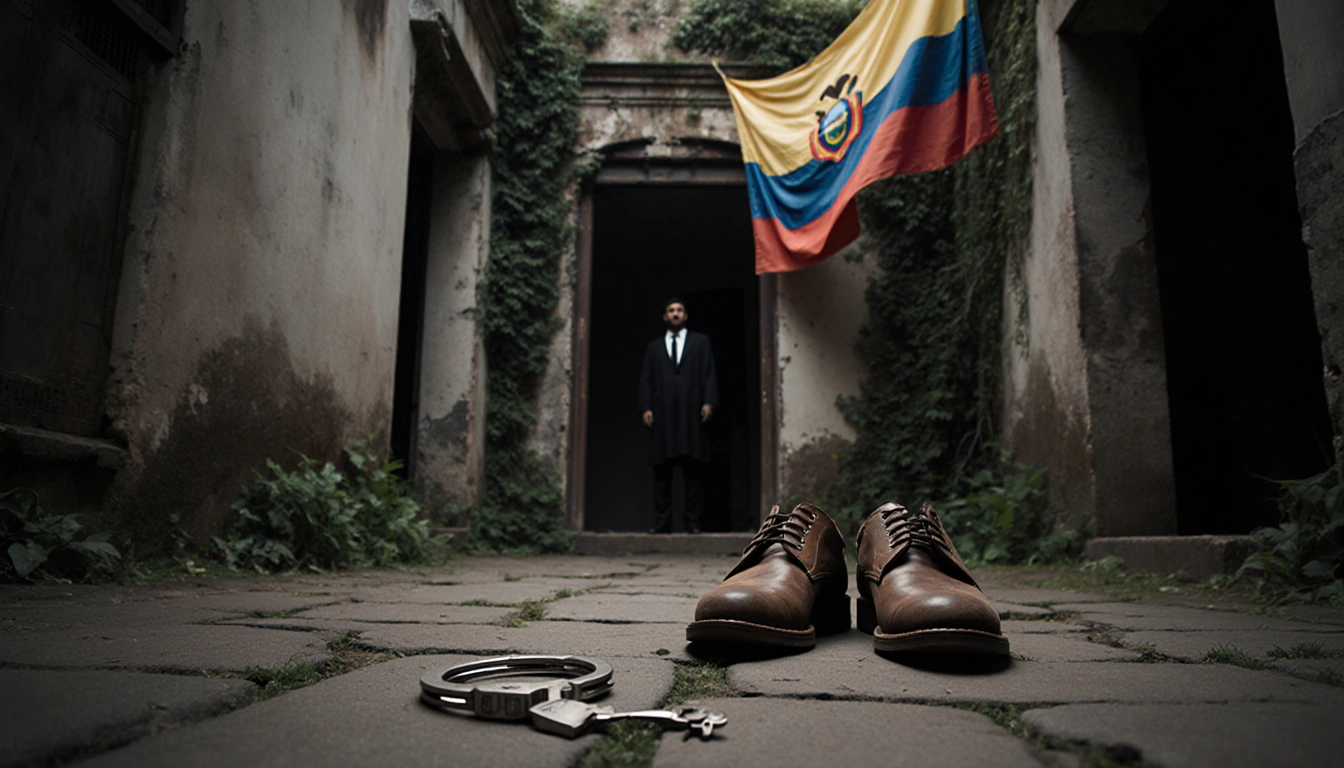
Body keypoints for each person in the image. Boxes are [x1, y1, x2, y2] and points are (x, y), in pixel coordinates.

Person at [638, 298, 718, 534]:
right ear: (665, 317)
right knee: (662, 472)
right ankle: (662, 524)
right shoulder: (654, 347)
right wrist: (645, 408)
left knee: (693, 470)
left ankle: (692, 524)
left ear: (685, 316)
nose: (675, 314)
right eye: (671, 310)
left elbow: (709, 373)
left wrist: (709, 402)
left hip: (691, 414)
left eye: (679, 310)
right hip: (662, 415)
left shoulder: (700, 342)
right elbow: (646, 379)